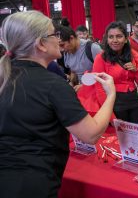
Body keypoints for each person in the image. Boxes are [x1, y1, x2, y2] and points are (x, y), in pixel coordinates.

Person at [0, 11, 116, 198]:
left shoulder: (5, 77)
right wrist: (111, 95)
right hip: (33, 183)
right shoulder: (53, 85)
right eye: (54, 35)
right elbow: (91, 134)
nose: (59, 40)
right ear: (40, 44)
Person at [93, 21, 138, 129]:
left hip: (134, 101)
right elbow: (99, 90)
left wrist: (136, 70)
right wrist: (111, 117)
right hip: (114, 103)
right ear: (107, 40)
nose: (115, 40)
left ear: (126, 38)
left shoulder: (133, 54)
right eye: (111, 37)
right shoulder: (100, 58)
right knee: (120, 140)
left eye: (119, 36)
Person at [56, 25, 102, 91]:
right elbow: (74, 71)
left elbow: (105, 73)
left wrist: (84, 86)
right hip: (81, 92)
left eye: (62, 45)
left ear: (71, 38)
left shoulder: (92, 48)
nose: (61, 49)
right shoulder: (67, 52)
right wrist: (72, 83)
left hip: (96, 90)